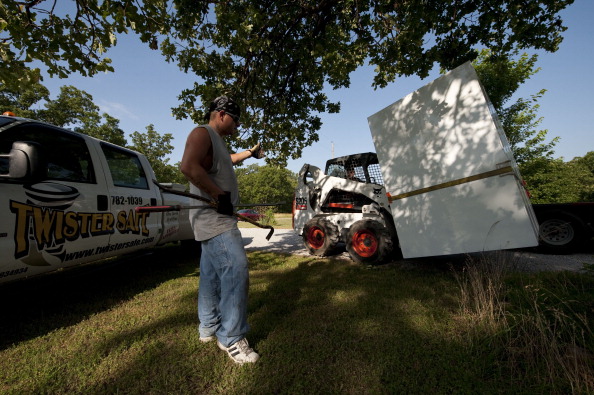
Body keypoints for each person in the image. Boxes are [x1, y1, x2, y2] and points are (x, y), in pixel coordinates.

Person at [180, 95, 264, 364]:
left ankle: (208, 327)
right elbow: (188, 167)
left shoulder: (217, 142)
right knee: (236, 271)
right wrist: (220, 196)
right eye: (236, 120)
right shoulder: (202, 132)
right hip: (216, 220)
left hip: (212, 219)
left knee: (210, 276)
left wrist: (250, 153)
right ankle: (230, 337)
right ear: (221, 114)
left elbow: (226, 160)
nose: (237, 126)